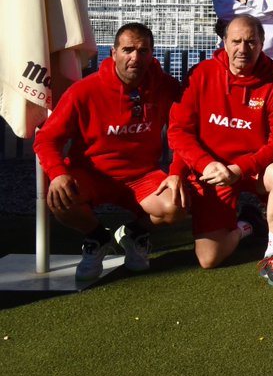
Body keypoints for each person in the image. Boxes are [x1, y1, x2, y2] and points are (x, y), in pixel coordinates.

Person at [33, 23, 186, 282]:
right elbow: (47, 139)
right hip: (91, 175)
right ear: (113, 53)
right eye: (128, 50)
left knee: (176, 204)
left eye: (142, 50)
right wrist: (58, 173)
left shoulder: (166, 86)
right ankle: (97, 237)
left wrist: (176, 171)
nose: (135, 57)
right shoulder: (84, 91)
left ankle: (134, 233)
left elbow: (185, 132)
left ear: (152, 54)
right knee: (59, 197)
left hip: (142, 176)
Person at [168, 14, 273, 286]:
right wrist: (205, 164)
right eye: (236, 41)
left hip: (251, 170)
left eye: (251, 42)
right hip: (213, 172)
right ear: (224, 43)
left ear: (262, 43)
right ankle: (247, 225)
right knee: (209, 258)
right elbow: (179, 131)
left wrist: (241, 169)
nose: (243, 49)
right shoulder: (201, 75)